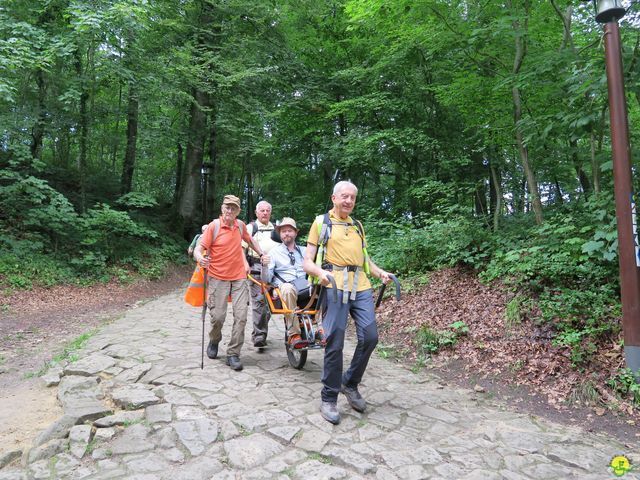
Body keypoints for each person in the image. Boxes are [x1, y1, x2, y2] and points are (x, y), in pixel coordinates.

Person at [303, 180, 392, 425]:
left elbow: (365, 260)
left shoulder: (358, 226)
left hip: (360, 285)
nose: (349, 201)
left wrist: (379, 272)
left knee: (370, 336)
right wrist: (320, 274)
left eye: (352, 197)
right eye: (344, 196)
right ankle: (329, 397)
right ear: (334, 198)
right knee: (335, 340)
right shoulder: (321, 223)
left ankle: (349, 383)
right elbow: (307, 261)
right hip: (333, 285)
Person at [194, 194, 268, 371]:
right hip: (217, 277)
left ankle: (233, 353)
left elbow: (250, 241)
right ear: (222, 208)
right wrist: (200, 258)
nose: (230, 210)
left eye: (233, 208)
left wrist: (262, 253)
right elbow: (199, 248)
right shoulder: (214, 226)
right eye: (227, 207)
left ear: (238, 211)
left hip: (239, 277)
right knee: (218, 317)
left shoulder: (240, 226)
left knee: (241, 317)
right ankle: (214, 339)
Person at [265, 217, 322, 348]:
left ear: (295, 233)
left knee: (325, 286)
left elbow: (315, 267)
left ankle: (321, 328)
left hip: (305, 285)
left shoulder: (305, 251)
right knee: (287, 289)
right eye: (283, 231)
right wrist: (264, 266)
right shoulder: (273, 253)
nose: (287, 233)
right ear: (280, 234)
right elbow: (267, 279)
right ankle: (294, 334)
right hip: (286, 286)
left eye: (290, 230)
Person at [244, 200, 279, 348]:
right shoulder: (251, 228)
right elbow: (241, 247)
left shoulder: (277, 229)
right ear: (256, 212)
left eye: (267, 210)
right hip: (257, 267)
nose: (265, 213)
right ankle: (259, 336)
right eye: (262, 210)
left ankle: (259, 330)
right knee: (259, 302)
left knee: (274, 303)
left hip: (275, 269)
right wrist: (245, 264)